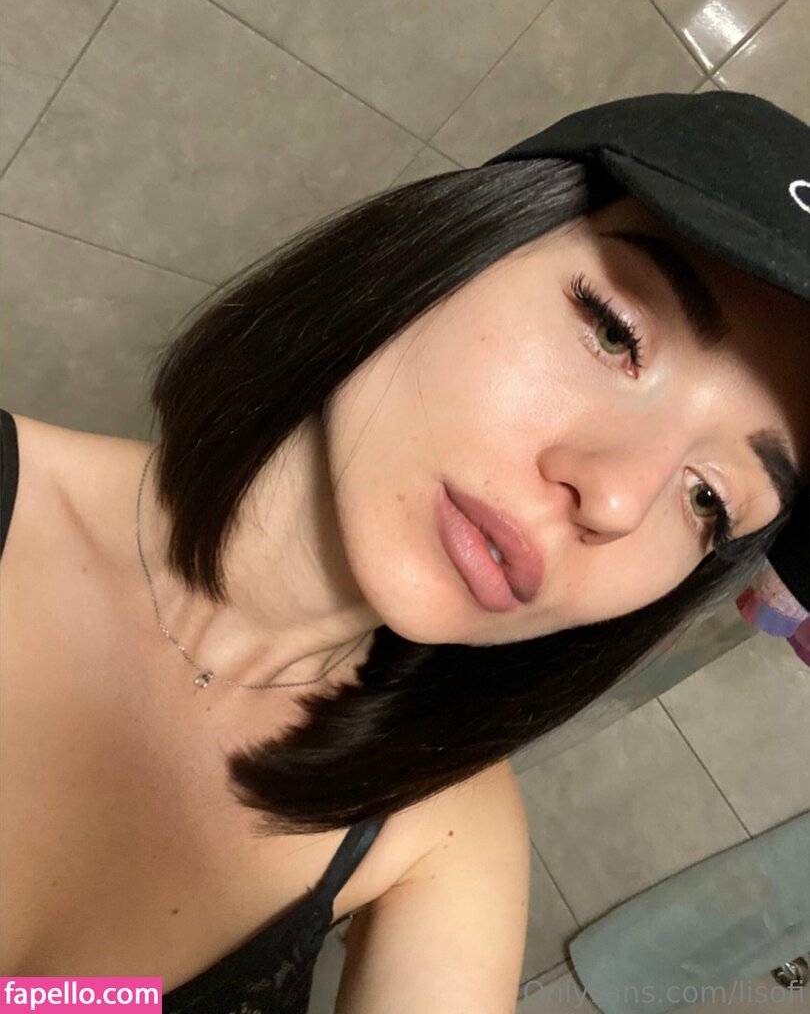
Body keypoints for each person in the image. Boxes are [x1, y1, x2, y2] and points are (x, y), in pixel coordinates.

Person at [1, 91, 808, 1013]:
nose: (619, 500)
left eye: (709, 500)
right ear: (460, 242)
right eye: (614, 331)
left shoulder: (446, 835)